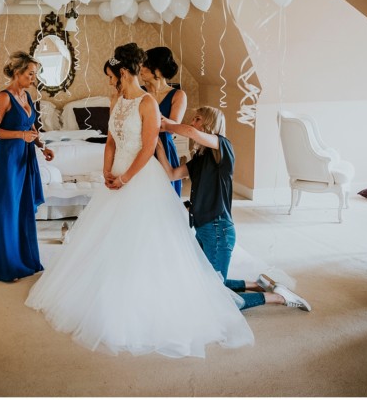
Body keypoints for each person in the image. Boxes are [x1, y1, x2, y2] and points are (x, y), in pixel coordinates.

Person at [26, 43, 253, 357]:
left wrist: (125, 177)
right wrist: (107, 170)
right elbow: (110, 140)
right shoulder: (116, 99)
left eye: (110, 77)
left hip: (140, 179)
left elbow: (148, 148)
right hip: (116, 176)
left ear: (122, 72)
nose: (109, 83)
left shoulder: (148, 102)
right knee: (108, 238)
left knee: (145, 241)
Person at [157, 105, 311, 312]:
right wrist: (157, 145)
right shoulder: (200, 159)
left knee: (215, 300)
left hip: (218, 230)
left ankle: (277, 297)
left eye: (197, 119)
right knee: (204, 280)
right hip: (204, 229)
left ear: (209, 124)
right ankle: (255, 284)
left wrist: (167, 125)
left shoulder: (223, 147)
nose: (193, 123)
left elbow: (190, 132)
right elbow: (172, 174)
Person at [0, 52, 54, 282]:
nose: (34, 78)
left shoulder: (27, 97)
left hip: (25, 158)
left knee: (22, 208)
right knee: (7, 210)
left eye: (35, 74)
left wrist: (41, 145)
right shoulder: (3, 98)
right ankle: (6, 265)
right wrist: (19, 135)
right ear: (17, 73)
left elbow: (30, 126)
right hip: (6, 160)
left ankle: (24, 258)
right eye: (30, 74)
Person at [140, 46, 187, 196]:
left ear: (158, 70)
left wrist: (150, 117)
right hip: (138, 146)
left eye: (145, 65)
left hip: (164, 148)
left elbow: (172, 126)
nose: (141, 68)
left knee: (165, 193)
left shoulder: (178, 95)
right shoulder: (139, 93)